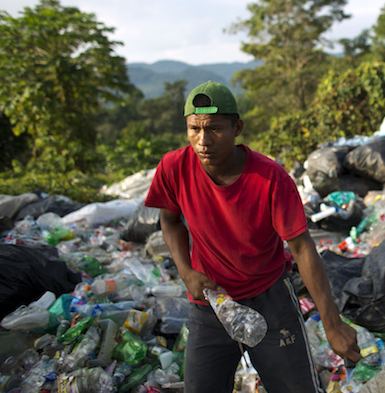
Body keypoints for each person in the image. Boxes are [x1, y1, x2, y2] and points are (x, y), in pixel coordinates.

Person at [144, 81, 360, 392]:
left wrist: (332, 323)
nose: (203, 140)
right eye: (194, 129)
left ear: (237, 128)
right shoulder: (174, 167)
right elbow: (170, 219)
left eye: (215, 128)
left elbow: (301, 248)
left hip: (269, 298)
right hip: (211, 302)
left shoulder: (270, 177)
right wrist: (186, 272)